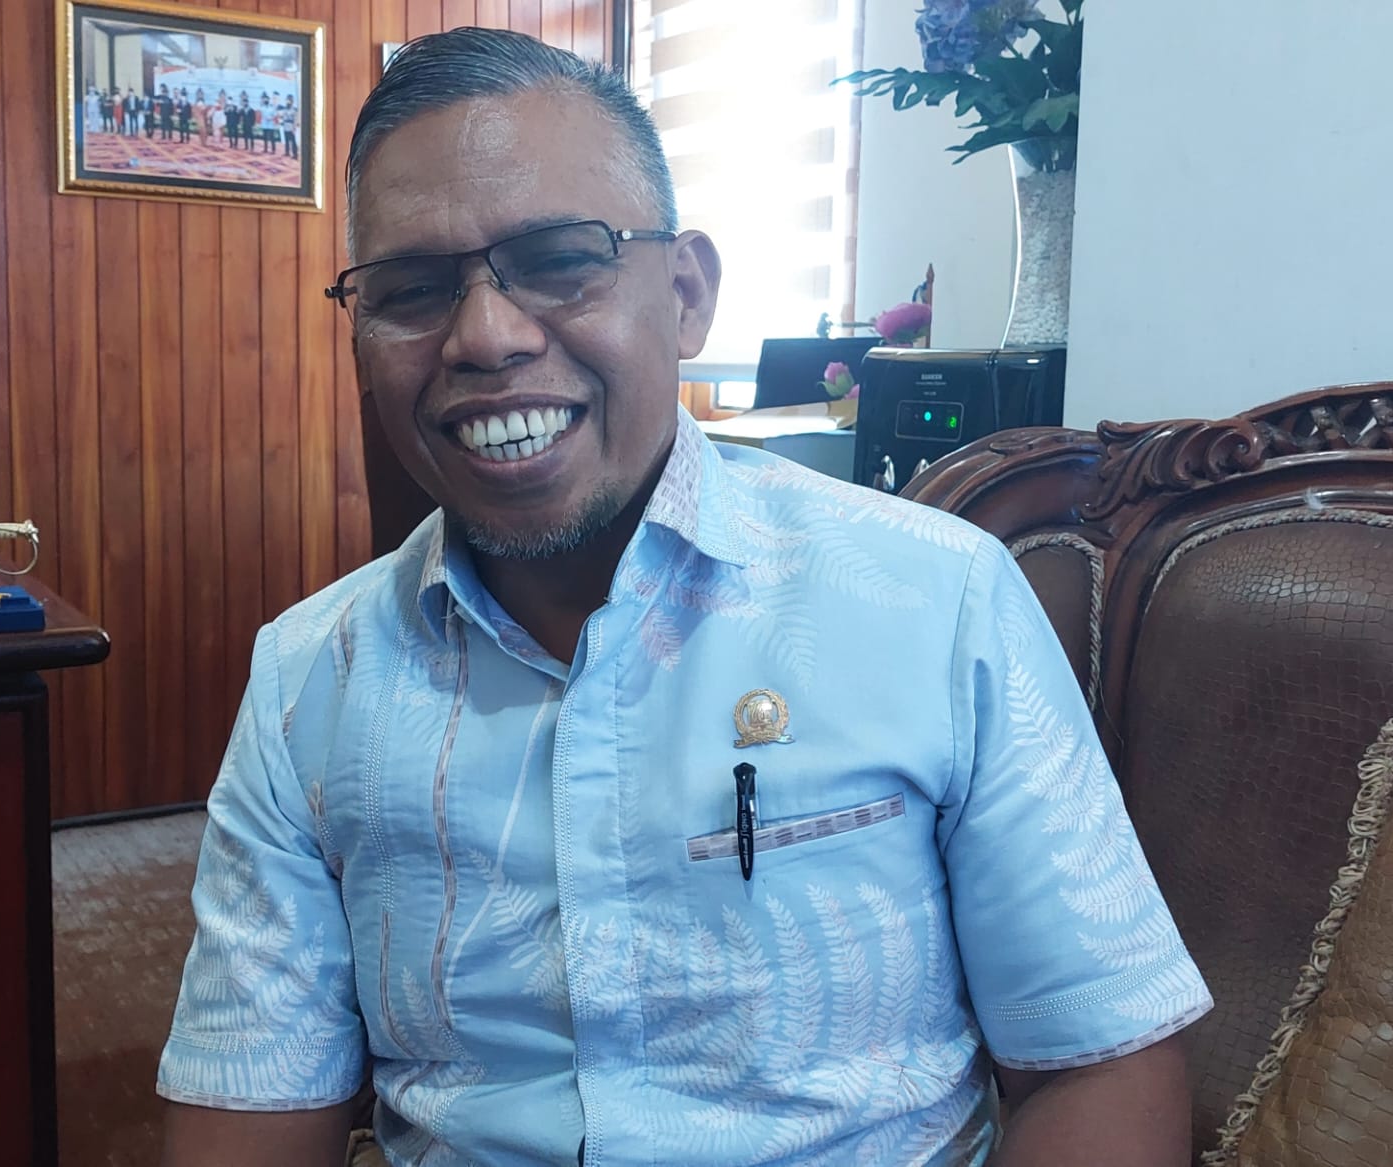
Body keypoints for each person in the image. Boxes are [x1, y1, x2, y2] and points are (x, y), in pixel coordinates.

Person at [157, 28, 1211, 1167]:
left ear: (687, 292)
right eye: (412, 289)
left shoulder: (936, 603)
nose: (487, 337)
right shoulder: (309, 682)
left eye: (560, 260)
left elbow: (1098, 1058)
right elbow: (250, 1107)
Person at [280, 94, 298, 160]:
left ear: (292, 101)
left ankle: (295, 154)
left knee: (293, 141)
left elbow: (295, 120)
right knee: (286, 140)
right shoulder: (285, 109)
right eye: (287, 100)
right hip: (285, 126)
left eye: (289, 100)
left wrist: (294, 128)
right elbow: (282, 117)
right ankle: (287, 152)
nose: (288, 101)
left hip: (291, 126)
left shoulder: (294, 109)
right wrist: (282, 121)